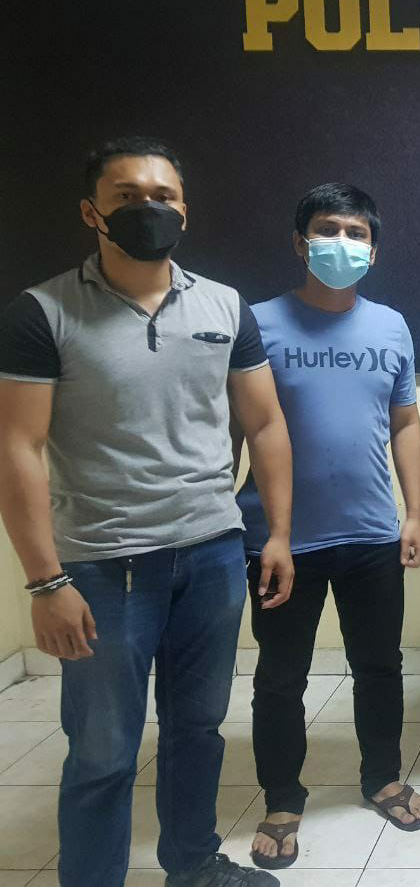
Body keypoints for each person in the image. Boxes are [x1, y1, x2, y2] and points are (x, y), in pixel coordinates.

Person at [0, 137, 293, 887]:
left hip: (212, 553)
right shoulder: (43, 311)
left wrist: (279, 534)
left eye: (162, 196)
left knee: (198, 727)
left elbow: (264, 425)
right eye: (126, 196)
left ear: (184, 210)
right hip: (103, 566)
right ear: (90, 212)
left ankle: (192, 866)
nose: (148, 208)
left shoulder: (224, 305)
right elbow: (18, 448)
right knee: (103, 751)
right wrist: (45, 582)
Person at [236, 184, 420, 869]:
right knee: (280, 677)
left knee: (379, 667)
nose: (342, 243)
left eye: (356, 233)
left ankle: (382, 778)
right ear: (300, 242)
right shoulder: (256, 323)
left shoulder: (391, 326)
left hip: (372, 534)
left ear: (373, 251)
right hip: (278, 541)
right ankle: (283, 799)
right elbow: (238, 428)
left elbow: (405, 422)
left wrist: (414, 513)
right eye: (328, 229)